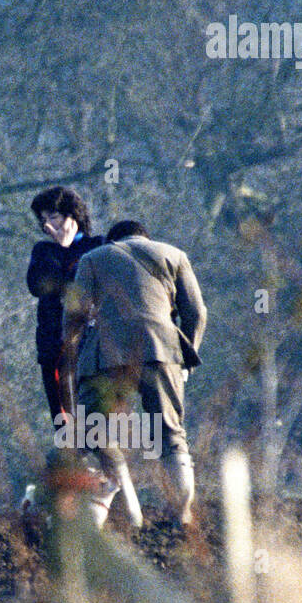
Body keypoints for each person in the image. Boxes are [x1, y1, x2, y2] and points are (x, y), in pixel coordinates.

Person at [60, 219, 207, 528]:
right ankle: (181, 517)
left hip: (105, 354)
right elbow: (196, 313)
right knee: (170, 435)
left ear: (112, 240)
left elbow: (74, 316)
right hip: (161, 349)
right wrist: (186, 360)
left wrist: (73, 362)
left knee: (95, 434)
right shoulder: (173, 255)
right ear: (144, 237)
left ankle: (118, 517)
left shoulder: (93, 258)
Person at [26, 187, 106, 422]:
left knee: (98, 419)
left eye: (53, 216)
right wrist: (62, 249)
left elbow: (91, 288)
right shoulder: (43, 251)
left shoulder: (98, 246)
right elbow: (38, 286)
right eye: (43, 220)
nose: (48, 225)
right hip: (54, 345)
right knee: (64, 423)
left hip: (93, 345)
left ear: (73, 215)